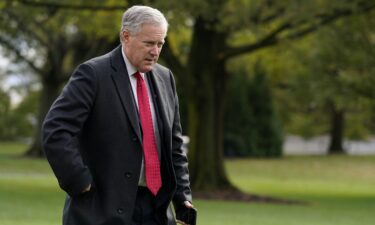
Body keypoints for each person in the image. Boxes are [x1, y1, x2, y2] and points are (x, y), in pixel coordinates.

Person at [42, 5, 194, 225]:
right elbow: (56, 130)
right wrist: (79, 182)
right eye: (149, 43)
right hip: (101, 209)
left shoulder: (165, 77)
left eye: (160, 44)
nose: (155, 51)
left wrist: (183, 197)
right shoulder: (93, 74)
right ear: (126, 36)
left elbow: (174, 144)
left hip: (157, 211)